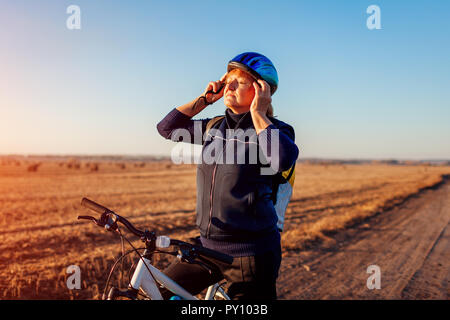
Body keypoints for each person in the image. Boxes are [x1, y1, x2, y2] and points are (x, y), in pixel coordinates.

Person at [156, 52, 299, 300]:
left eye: (239, 82)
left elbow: (283, 159)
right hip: (207, 248)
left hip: (251, 256)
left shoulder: (275, 130)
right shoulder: (214, 128)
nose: (229, 86)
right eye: (228, 79)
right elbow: (166, 128)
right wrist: (205, 99)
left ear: (260, 90)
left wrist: (259, 113)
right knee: (161, 295)